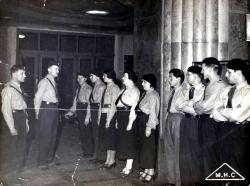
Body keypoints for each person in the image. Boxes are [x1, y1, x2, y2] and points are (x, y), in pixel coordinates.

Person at [211, 59, 250, 186]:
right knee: (223, 166)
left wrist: (224, 111)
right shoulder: (226, 90)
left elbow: (238, 115)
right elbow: (214, 114)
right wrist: (229, 113)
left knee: (238, 168)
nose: (226, 75)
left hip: (240, 133)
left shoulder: (248, 91)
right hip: (224, 131)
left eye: (229, 72)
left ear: (238, 73)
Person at [193, 57, 228, 181]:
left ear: (211, 68)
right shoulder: (210, 85)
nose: (201, 72)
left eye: (203, 69)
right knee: (203, 157)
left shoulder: (220, 85)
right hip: (204, 122)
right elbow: (200, 107)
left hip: (211, 124)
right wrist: (198, 106)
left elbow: (205, 106)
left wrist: (197, 105)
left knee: (210, 158)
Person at [178, 65, 205, 185]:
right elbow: (178, 106)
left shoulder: (205, 90)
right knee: (184, 154)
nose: (187, 77)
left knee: (195, 153)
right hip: (186, 121)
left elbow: (199, 109)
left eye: (188, 74)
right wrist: (190, 104)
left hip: (197, 123)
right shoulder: (189, 90)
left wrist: (188, 106)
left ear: (196, 76)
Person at [1, 64, 29, 175]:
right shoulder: (8, 89)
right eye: (22, 73)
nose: (25, 76)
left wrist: (26, 122)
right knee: (13, 146)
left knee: (21, 145)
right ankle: (10, 172)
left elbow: (23, 106)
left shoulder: (18, 87)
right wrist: (11, 127)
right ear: (14, 74)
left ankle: (18, 170)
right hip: (14, 119)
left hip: (21, 118)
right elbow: (6, 110)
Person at [163, 68, 188, 186]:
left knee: (177, 151)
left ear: (178, 79)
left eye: (171, 77)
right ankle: (171, 180)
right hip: (169, 118)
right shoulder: (171, 91)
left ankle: (178, 182)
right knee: (169, 149)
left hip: (178, 119)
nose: (169, 80)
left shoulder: (184, 91)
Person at [34, 61, 59, 170]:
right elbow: (37, 98)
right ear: (49, 70)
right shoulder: (44, 81)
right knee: (45, 136)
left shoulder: (53, 81)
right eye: (55, 69)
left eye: (58, 69)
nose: (58, 71)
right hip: (46, 110)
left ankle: (49, 159)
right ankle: (41, 161)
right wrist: (37, 112)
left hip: (53, 109)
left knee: (53, 135)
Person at [116, 70, 140, 177]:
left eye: (124, 76)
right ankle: (126, 165)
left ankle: (129, 167)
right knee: (123, 140)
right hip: (121, 116)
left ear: (130, 79)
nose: (122, 78)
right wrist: (117, 120)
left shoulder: (135, 91)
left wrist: (130, 122)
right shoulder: (123, 90)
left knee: (129, 141)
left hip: (128, 117)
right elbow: (118, 105)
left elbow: (134, 108)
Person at [136, 74, 160, 182]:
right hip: (141, 121)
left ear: (150, 83)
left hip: (148, 122)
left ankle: (151, 171)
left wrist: (149, 127)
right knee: (144, 147)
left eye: (144, 82)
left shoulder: (154, 95)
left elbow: (153, 114)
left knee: (149, 148)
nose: (142, 84)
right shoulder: (145, 93)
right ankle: (146, 169)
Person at [65, 73, 93, 158]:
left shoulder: (89, 88)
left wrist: (88, 117)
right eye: (78, 78)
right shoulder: (79, 88)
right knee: (82, 132)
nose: (79, 80)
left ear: (85, 79)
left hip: (85, 110)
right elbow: (75, 103)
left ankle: (89, 152)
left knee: (86, 132)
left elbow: (89, 104)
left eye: (81, 78)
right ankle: (85, 151)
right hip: (80, 110)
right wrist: (70, 112)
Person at [98, 69, 120, 169]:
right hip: (104, 114)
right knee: (107, 138)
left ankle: (112, 160)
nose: (103, 77)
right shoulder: (106, 87)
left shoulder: (115, 88)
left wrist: (109, 119)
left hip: (110, 115)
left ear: (110, 76)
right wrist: (100, 117)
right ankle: (107, 160)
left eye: (104, 76)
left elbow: (114, 106)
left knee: (111, 138)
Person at [89, 69, 106, 162]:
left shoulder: (101, 86)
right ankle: (96, 155)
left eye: (92, 76)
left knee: (98, 133)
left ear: (97, 76)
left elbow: (99, 101)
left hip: (97, 110)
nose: (90, 78)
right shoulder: (95, 85)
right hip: (93, 110)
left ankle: (101, 156)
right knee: (95, 133)